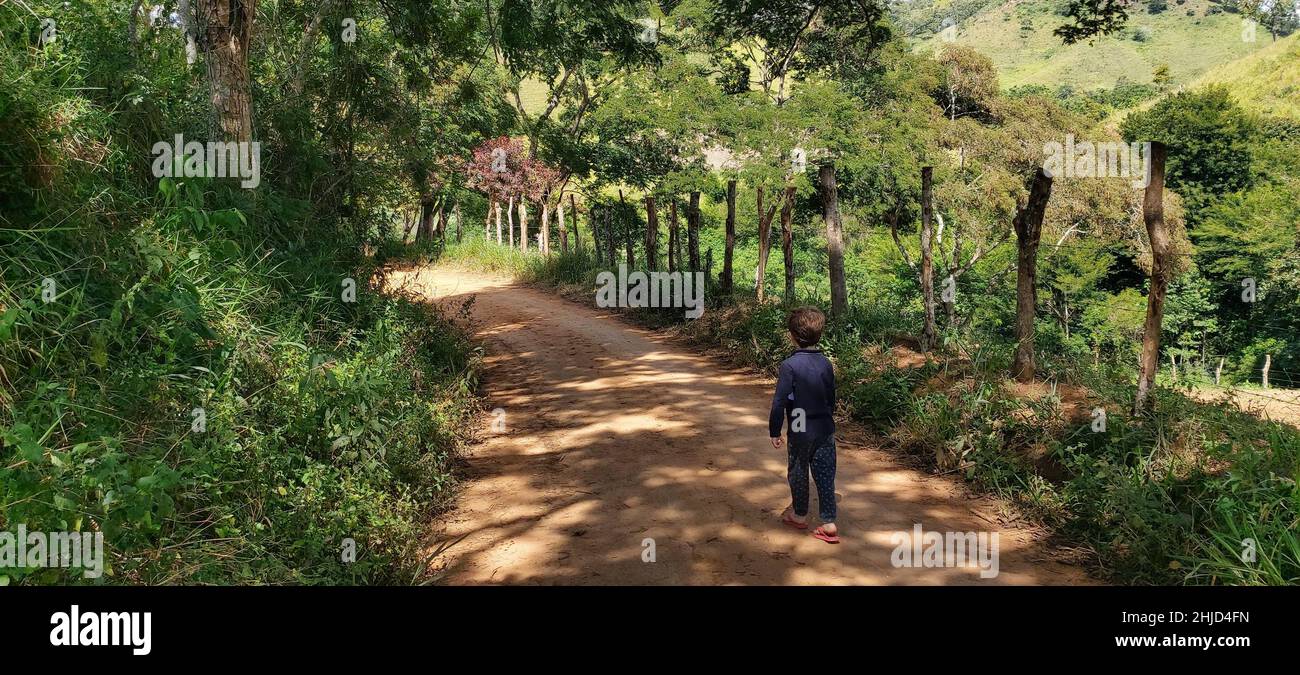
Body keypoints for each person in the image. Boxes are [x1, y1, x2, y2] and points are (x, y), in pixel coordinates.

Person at [769, 306, 839, 544]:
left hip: (800, 424)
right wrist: (828, 416)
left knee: (799, 471)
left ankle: (799, 516)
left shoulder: (789, 366)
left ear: (792, 336)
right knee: (826, 473)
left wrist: (775, 430)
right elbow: (831, 397)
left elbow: (779, 401)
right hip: (825, 427)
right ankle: (829, 523)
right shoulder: (826, 363)